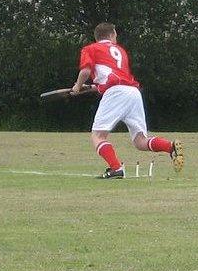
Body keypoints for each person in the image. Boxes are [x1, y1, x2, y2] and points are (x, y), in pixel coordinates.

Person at [71, 22, 184, 179]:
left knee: (98, 136)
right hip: (133, 92)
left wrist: (77, 86)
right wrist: (89, 87)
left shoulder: (90, 49)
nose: (116, 37)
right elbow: (111, 79)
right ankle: (170, 148)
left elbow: (86, 70)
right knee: (140, 141)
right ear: (110, 35)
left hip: (116, 93)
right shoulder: (120, 51)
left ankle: (116, 168)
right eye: (115, 34)